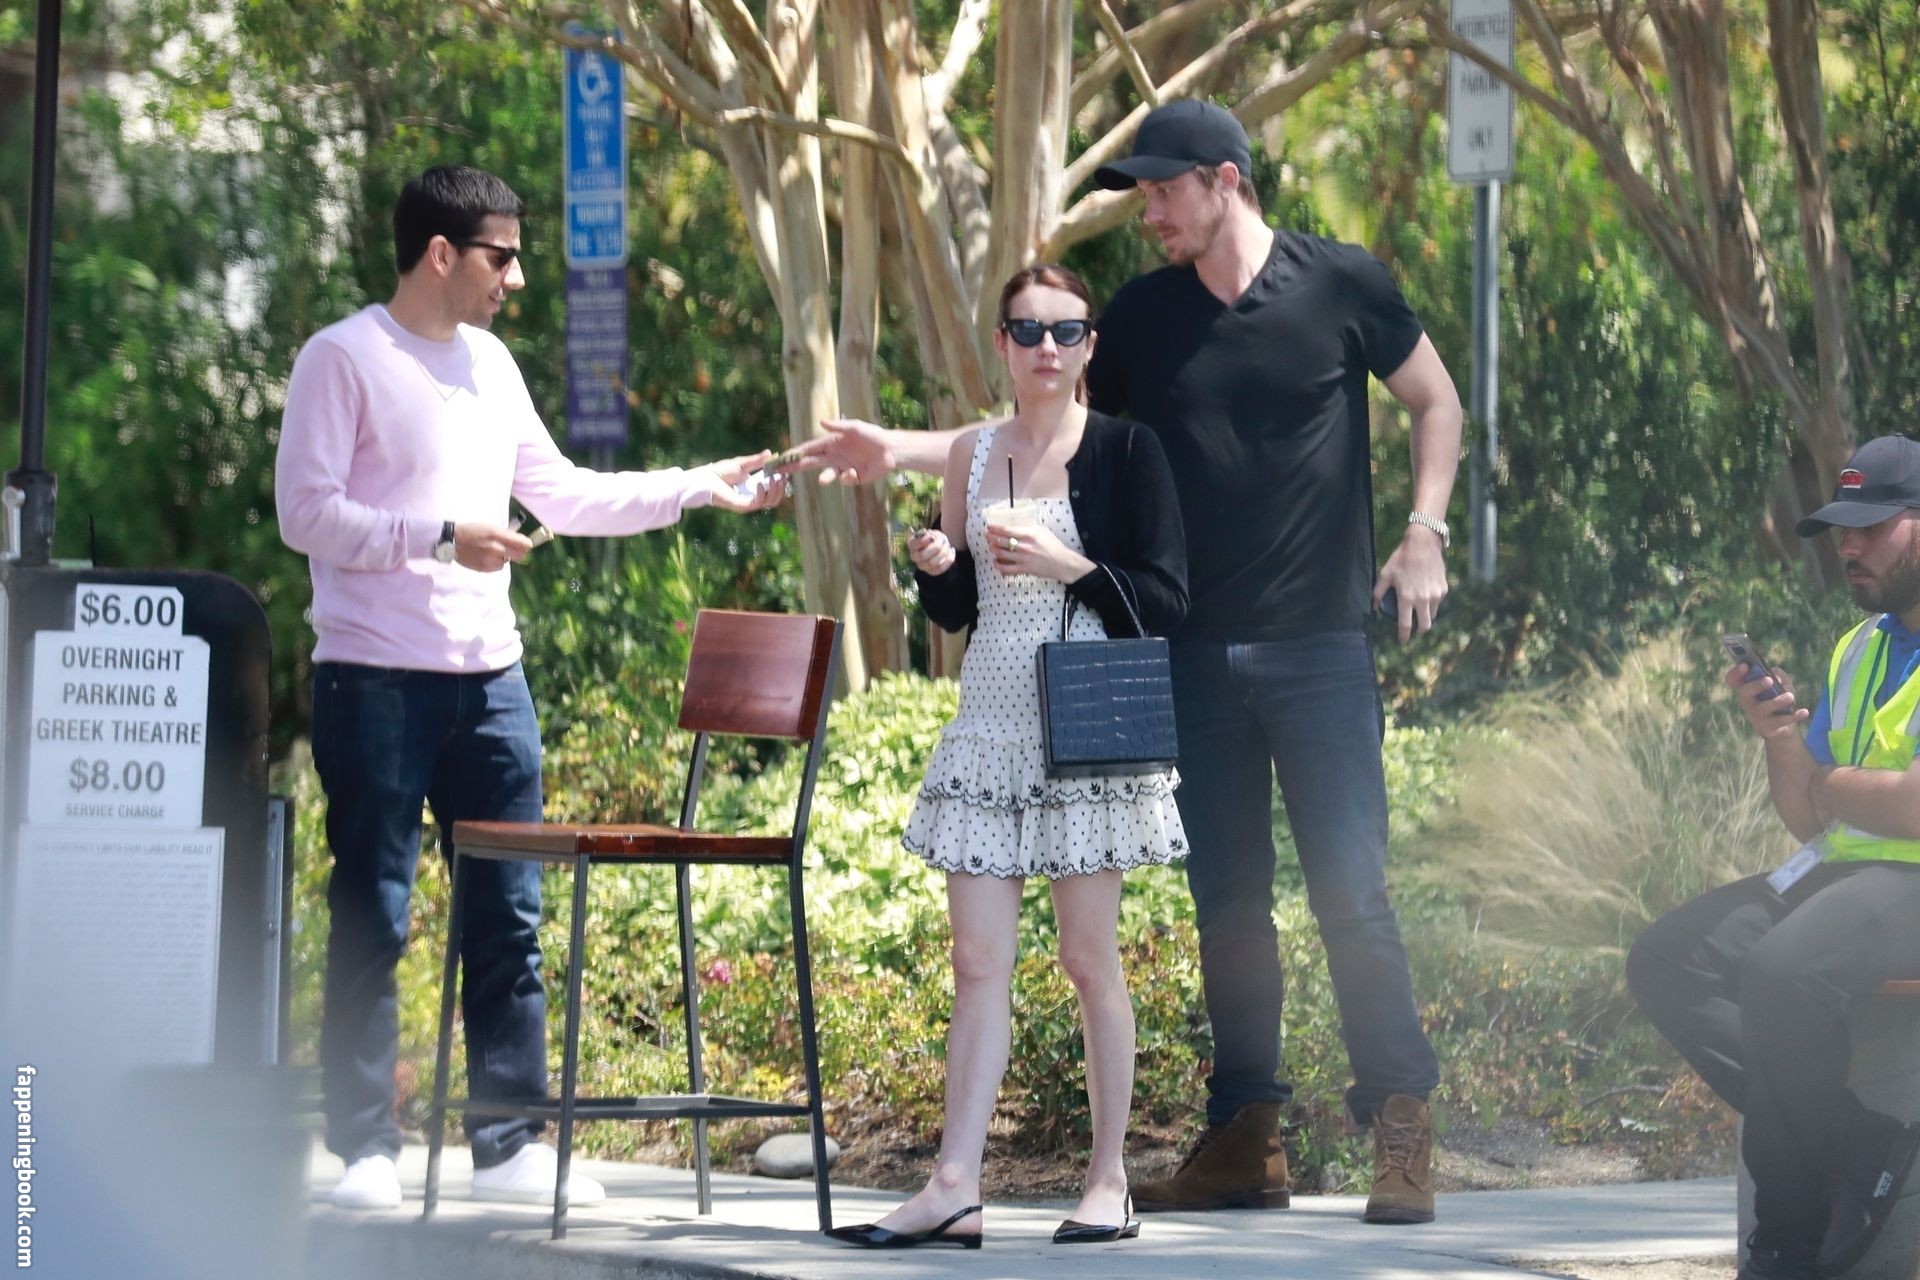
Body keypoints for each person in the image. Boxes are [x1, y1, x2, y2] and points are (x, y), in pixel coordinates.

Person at [792, 99, 1462, 1225]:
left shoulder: (1343, 283)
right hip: (1184, 654)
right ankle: (1246, 1134)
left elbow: (1436, 399)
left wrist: (1425, 530)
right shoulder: (1146, 317)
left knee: (1352, 891)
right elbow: (1043, 423)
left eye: (1162, 191)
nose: (1148, 212)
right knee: (1228, 903)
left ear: (1225, 180)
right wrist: (895, 449)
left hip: (1318, 648)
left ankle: (1401, 1124)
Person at [275, 164, 785, 1212]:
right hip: (372, 681)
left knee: (509, 916)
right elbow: (305, 513)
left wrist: (699, 486)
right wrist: (438, 537)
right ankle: (366, 1147)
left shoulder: (494, 365)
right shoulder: (343, 357)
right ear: (441, 254)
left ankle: (507, 1142)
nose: (515, 278)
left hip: (491, 684)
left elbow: (564, 494)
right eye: (501, 257)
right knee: (374, 912)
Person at [825, 265, 1188, 1250]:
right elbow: (958, 612)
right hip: (989, 721)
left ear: (1090, 344)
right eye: (1027, 331)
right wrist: (937, 567)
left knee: (1088, 958)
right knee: (977, 959)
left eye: (1066, 331)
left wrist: (1068, 565)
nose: (1046, 349)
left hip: (1086, 727)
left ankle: (1109, 1179)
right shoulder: (972, 454)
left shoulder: (1126, 448)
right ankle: (954, 1184)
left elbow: (1166, 598)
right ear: (1001, 344)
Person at [1627, 435, 1920, 1280]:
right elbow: (1804, 817)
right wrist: (1782, 737)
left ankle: (1788, 1240)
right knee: (1666, 959)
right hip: (1845, 875)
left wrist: (1830, 784)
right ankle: (1856, 1142)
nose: (1850, 546)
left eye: (1871, 527)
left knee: (1782, 973)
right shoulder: (1859, 646)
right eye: (1842, 529)